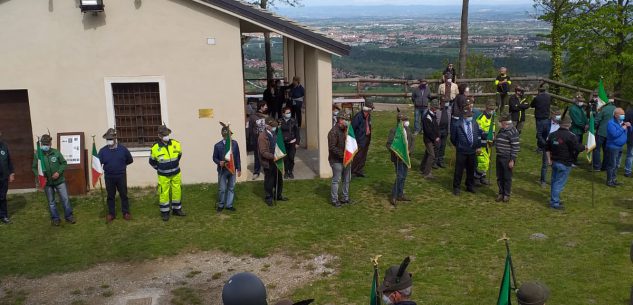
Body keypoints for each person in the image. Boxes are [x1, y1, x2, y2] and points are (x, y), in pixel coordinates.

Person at [32, 134, 75, 226]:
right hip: (47, 183)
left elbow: (64, 163)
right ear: (41, 144)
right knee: (51, 202)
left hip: (59, 181)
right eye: (43, 144)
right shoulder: (38, 155)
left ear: (50, 143)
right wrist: (40, 177)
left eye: (47, 144)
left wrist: (58, 172)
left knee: (65, 199)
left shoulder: (56, 152)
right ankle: (55, 218)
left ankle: (69, 216)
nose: (45, 146)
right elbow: (34, 168)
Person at [546, 115, 585, 210]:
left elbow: (547, 149)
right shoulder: (571, 136)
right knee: (558, 184)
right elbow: (578, 148)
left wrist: (549, 160)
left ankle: (555, 199)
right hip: (565, 163)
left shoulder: (552, 134)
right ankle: (554, 203)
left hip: (554, 162)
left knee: (555, 182)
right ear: (569, 124)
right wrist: (586, 147)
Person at [149, 125, 185, 221]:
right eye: (164, 134)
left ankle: (177, 209)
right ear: (159, 136)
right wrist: (161, 168)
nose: (166, 136)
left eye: (167, 134)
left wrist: (173, 165)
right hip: (163, 175)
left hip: (176, 173)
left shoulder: (176, 144)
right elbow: (152, 162)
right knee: (164, 193)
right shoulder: (155, 147)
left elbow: (179, 155)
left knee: (177, 190)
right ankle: (165, 212)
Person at [98, 128, 133, 223]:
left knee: (123, 194)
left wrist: (121, 165)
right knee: (110, 195)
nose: (109, 141)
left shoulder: (123, 149)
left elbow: (130, 160)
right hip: (109, 176)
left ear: (115, 139)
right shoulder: (102, 151)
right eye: (108, 139)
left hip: (121, 175)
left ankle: (126, 212)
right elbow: (98, 164)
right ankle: (111, 213)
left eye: (111, 139)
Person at [451, 110, 483, 196]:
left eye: (471, 116)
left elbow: (478, 134)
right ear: (464, 116)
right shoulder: (457, 124)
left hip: (472, 150)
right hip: (461, 151)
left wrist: (478, 146)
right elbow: (453, 138)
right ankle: (456, 187)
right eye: (468, 116)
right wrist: (458, 145)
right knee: (459, 170)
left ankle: (470, 185)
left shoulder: (474, 123)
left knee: (471, 169)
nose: (470, 118)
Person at [387, 112, 414, 205]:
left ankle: (400, 194)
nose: (407, 121)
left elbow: (412, 140)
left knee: (404, 176)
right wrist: (396, 153)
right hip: (398, 157)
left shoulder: (408, 129)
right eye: (405, 120)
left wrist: (410, 150)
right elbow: (389, 144)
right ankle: (394, 195)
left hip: (406, 157)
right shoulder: (394, 131)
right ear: (400, 121)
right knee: (400, 176)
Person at [212, 124, 241, 213]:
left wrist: (239, 168)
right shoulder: (217, 145)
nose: (229, 137)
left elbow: (237, 157)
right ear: (223, 135)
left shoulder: (235, 144)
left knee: (231, 188)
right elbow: (214, 158)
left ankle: (229, 205)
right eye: (226, 135)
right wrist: (219, 162)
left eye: (229, 135)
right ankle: (221, 204)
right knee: (222, 189)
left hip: (232, 169)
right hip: (222, 170)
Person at [259, 117, 287, 206]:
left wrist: (279, 155)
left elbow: (279, 145)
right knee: (269, 180)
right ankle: (269, 197)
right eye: (272, 126)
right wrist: (274, 156)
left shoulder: (275, 133)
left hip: (277, 160)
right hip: (268, 162)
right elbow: (263, 152)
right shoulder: (262, 136)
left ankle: (278, 195)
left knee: (279, 179)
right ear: (267, 126)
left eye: (274, 126)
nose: (274, 127)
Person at [328, 112, 352, 207]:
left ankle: (345, 198)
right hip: (336, 160)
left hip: (346, 159)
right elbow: (332, 147)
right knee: (336, 180)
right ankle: (334, 199)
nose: (347, 122)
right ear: (340, 120)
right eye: (345, 120)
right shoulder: (333, 132)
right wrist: (343, 155)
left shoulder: (347, 130)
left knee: (346, 179)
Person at [495, 113, 520, 202]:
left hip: (507, 158)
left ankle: (506, 194)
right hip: (499, 156)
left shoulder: (513, 132)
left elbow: (515, 147)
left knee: (507, 177)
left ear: (505, 122)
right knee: (499, 176)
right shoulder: (502, 130)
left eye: (500, 122)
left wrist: (512, 160)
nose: (499, 124)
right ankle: (500, 193)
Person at [606, 108, 630, 187]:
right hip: (613, 146)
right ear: (616, 115)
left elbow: (628, 131)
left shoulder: (622, 122)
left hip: (620, 146)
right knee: (612, 164)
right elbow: (614, 134)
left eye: (623, 114)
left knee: (617, 165)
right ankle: (609, 181)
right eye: (621, 114)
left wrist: (629, 126)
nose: (623, 116)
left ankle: (614, 179)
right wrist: (622, 128)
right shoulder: (611, 123)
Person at [474, 101, 496, 186]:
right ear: (486, 108)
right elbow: (478, 132)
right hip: (482, 144)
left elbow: (493, 129)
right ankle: (476, 178)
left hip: (489, 144)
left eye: (493, 109)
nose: (492, 111)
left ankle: (483, 177)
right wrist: (486, 136)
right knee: (482, 162)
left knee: (487, 161)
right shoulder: (481, 118)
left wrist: (493, 137)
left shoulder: (492, 117)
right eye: (490, 109)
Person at [351, 101, 374, 177]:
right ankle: (353, 171)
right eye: (371, 109)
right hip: (359, 140)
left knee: (363, 155)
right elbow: (352, 128)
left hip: (366, 139)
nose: (371, 111)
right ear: (366, 109)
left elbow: (369, 125)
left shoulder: (368, 116)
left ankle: (359, 170)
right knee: (358, 156)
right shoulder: (358, 117)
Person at [594, 97, 616, 171]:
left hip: (601, 132)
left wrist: (594, 126)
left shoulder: (604, 109)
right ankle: (605, 166)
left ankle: (597, 166)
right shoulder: (617, 110)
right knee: (607, 151)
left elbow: (597, 120)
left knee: (596, 149)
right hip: (611, 133)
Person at [540, 109, 561, 187]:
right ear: (552, 116)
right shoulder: (546, 123)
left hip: (557, 147)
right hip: (547, 146)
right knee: (545, 164)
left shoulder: (560, 124)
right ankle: (543, 181)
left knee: (555, 165)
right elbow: (539, 135)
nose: (558, 117)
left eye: (559, 115)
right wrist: (545, 143)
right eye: (556, 115)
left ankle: (553, 181)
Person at [248, 101, 268, 179]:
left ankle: (266, 171)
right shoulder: (253, 117)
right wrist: (251, 139)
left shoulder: (266, 116)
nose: (266, 107)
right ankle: (256, 172)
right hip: (256, 140)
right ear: (261, 107)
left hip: (265, 140)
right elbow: (250, 129)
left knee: (266, 155)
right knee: (257, 156)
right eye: (265, 106)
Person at [420, 100, 439, 179]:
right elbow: (428, 131)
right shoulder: (427, 117)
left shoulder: (433, 115)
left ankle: (422, 168)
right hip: (428, 139)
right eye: (435, 107)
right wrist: (435, 138)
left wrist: (437, 135)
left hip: (432, 139)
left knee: (427, 153)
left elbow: (435, 127)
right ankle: (427, 173)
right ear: (431, 107)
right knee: (432, 155)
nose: (436, 109)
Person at [280, 106, 300, 179]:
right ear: (283, 113)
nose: (289, 114)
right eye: (287, 112)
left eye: (289, 112)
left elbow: (297, 132)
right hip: (283, 143)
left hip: (292, 142)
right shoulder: (279, 121)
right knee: (285, 158)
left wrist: (297, 142)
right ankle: (286, 171)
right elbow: (277, 132)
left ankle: (290, 171)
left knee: (291, 158)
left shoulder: (293, 121)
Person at [531, 84, 551, 153]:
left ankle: (542, 147)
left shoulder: (537, 98)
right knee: (545, 133)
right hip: (546, 117)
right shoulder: (548, 97)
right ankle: (543, 147)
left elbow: (532, 105)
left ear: (539, 91)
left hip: (539, 118)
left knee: (539, 134)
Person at [0, 131, 15, 224]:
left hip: (3, 177)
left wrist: (11, 173)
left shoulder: (4, 146)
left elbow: (9, 160)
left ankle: (4, 216)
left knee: (2, 197)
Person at [569, 94, 588, 165]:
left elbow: (585, 118)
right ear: (576, 101)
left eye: (582, 101)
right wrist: (584, 126)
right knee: (574, 146)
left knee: (578, 147)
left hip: (580, 131)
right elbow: (576, 121)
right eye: (580, 101)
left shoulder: (581, 109)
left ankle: (574, 159)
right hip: (575, 130)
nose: (581, 102)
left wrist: (587, 124)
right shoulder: (572, 109)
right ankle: (571, 160)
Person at [435, 96, 452, 168]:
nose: (445, 103)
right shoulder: (437, 110)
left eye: (446, 102)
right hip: (438, 130)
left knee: (443, 146)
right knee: (437, 146)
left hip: (445, 130)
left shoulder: (449, 109)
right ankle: (434, 161)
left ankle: (441, 161)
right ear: (441, 102)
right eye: (444, 102)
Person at [622, 107, 633, 177]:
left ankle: (627, 170)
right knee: (630, 154)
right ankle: (627, 170)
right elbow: (624, 122)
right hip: (631, 136)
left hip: (630, 136)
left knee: (630, 154)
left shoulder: (629, 111)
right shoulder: (630, 112)